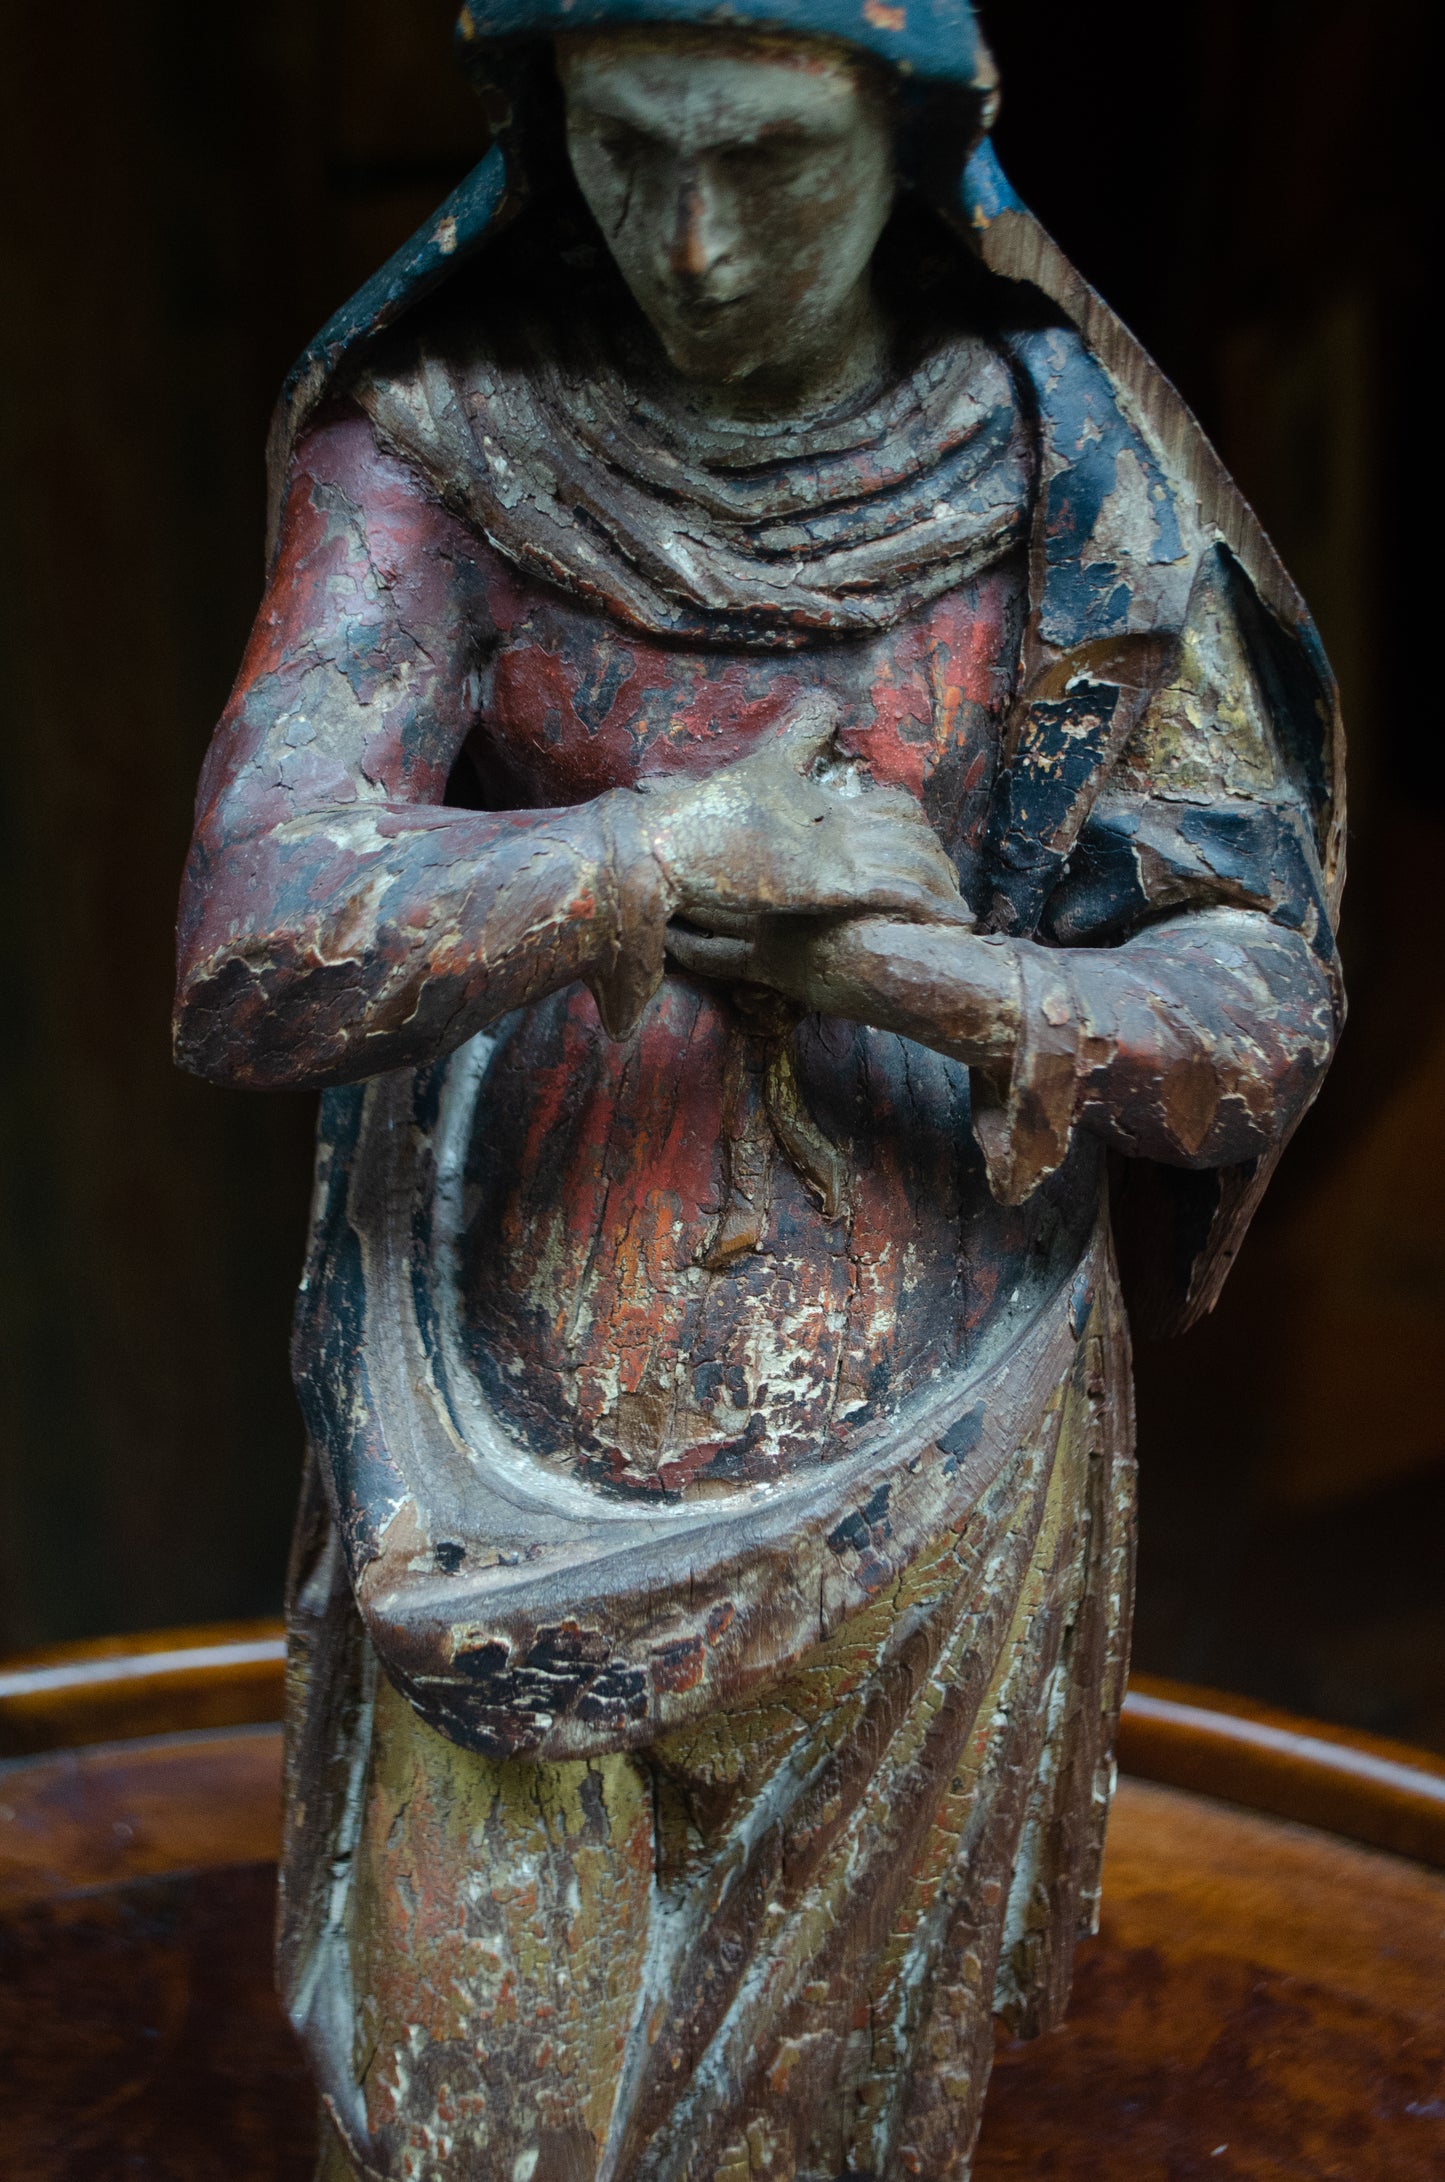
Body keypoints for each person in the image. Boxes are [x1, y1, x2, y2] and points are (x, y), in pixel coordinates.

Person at [174, 6, 1344, 2175]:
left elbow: (1258, 993)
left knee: (834, 2133)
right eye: (629, 154)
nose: (693, 242)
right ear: (541, 128)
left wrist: (944, 977)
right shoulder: (447, 442)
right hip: (493, 1427)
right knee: (467, 2117)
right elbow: (252, 932)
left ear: (910, 143)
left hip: (931, 1423)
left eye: (767, 165)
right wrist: (668, 850)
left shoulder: (1066, 469)